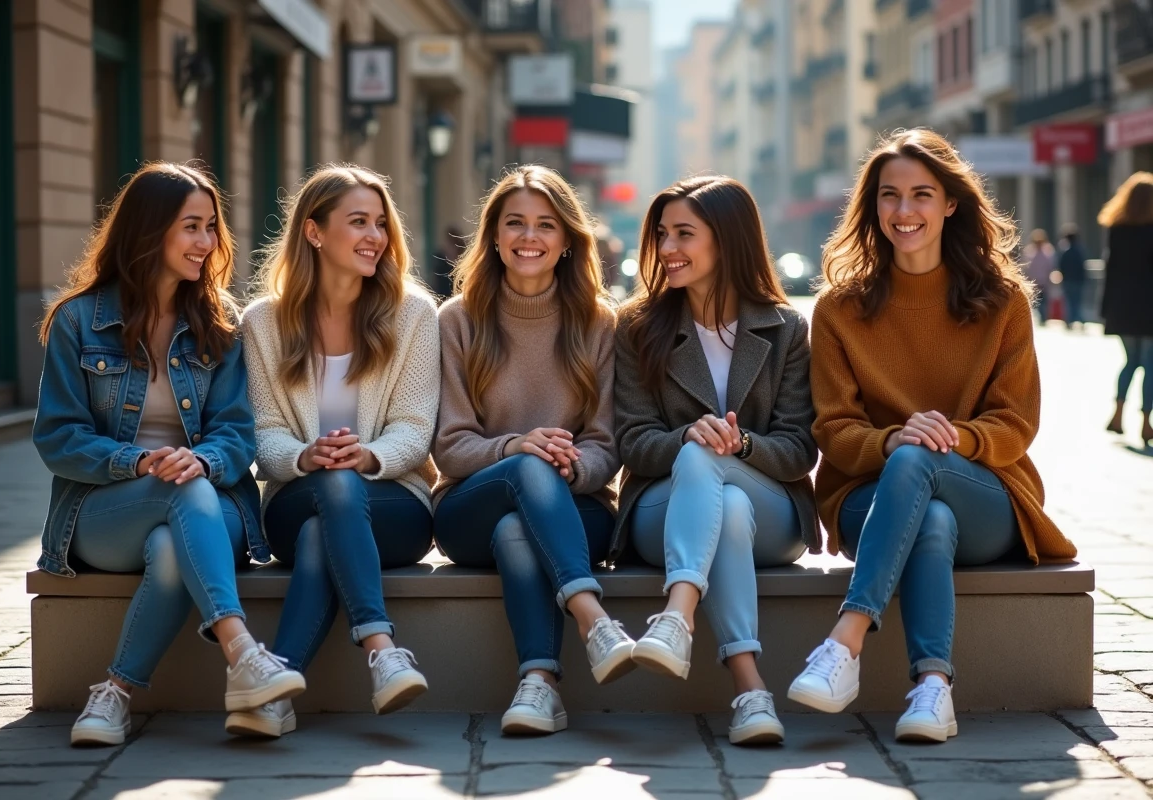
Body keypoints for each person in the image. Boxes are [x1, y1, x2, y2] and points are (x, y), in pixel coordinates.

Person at [787, 129, 1077, 743]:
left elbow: (1016, 422)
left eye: (922, 194)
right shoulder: (840, 309)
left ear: (950, 204)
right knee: (929, 519)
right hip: (869, 498)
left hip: (988, 498)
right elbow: (833, 431)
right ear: (874, 209)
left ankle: (848, 639)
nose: (905, 211)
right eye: (889, 196)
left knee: (926, 471)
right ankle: (933, 689)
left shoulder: (1003, 303)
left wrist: (947, 438)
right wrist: (891, 441)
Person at [32, 162, 305, 747]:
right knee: (172, 492)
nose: (207, 244)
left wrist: (202, 459)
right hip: (106, 512)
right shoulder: (78, 321)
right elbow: (58, 437)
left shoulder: (219, 323)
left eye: (211, 228)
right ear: (148, 230)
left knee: (173, 537)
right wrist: (136, 462)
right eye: (191, 227)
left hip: (210, 505)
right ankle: (242, 652)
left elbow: (237, 433)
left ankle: (115, 693)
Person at [613, 176, 819, 746]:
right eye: (661, 234)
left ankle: (678, 618)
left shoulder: (785, 328)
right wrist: (689, 436)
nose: (666, 248)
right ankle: (749, 689)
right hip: (663, 512)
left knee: (720, 474)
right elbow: (632, 442)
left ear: (726, 241)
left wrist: (742, 444)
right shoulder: (636, 327)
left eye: (684, 234)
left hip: (773, 513)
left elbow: (801, 449)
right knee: (710, 480)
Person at [238, 165, 440, 737]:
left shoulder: (414, 314)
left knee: (322, 524)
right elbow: (265, 432)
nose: (375, 235)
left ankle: (273, 692)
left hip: (395, 506)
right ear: (314, 232)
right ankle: (380, 646)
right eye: (358, 222)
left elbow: (414, 425)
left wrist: (367, 456)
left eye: (380, 223)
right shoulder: (262, 323)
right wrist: (307, 457)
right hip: (293, 498)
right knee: (326, 492)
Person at [432, 165, 633, 736]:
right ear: (494, 236)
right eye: (515, 223)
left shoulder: (598, 321)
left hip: (578, 506)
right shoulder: (458, 320)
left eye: (546, 225)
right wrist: (519, 449)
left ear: (568, 240)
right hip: (469, 506)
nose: (529, 237)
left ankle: (539, 684)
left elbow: (606, 443)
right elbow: (448, 446)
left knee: (517, 531)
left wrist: (571, 465)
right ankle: (593, 619)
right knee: (523, 470)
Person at [1098, 172, 1153, 448]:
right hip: (1149, 308)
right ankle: (1146, 422)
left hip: (1123, 307)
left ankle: (1118, 413)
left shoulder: (1117, 228)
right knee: (1151, 364)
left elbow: (1110, 271)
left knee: (1131, 361)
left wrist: (1105, 310)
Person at [1022, 228, 1056, 324]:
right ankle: (1042, 316)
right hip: (1034, 282)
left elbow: (1051, 267)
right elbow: (1026, 267)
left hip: (1043, 281)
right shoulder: (1030, 252)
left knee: (1043, 301)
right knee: (1037, 301)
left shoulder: (1048, 251)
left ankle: (1043, 317)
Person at [1057, 223, 1088, 329]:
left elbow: (1061, 266)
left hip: (1068, 280)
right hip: (1077, 280)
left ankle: (1071, 319)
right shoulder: (1079, 251)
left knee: (1069, 301)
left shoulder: (1065, 252)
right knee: (1077, 301)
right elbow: (1082, 266)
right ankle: (1077, 318)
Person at [428, 226, 463, 300]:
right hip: (441, 298)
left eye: (451, 244)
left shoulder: (463, 264)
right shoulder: (439, 261)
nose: (447, 247)